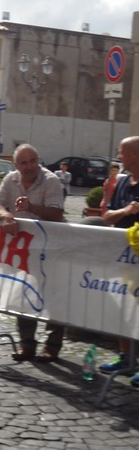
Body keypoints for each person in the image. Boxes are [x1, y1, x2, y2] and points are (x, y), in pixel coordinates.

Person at [0, 143, 64, 363]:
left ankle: (52, 346)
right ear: (15, 164)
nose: (29, 166)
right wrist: (5, 216)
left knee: (53, 298)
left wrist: (31, 207)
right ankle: (27, 344)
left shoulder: (51, 180)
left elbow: (57, 214)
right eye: (23, 162)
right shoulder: (10, 179)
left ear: (38, 160)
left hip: (51, 250)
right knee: (23, 295)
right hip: (22, 250)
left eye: (33, 161)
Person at [99, 136, 139, 386]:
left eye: (122, 152)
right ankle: (125, 357)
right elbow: (107, 216)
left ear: (134, 155)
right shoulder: (123, 182)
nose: (119, 156)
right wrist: (125, 211)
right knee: (123, 308)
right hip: (122, 259)